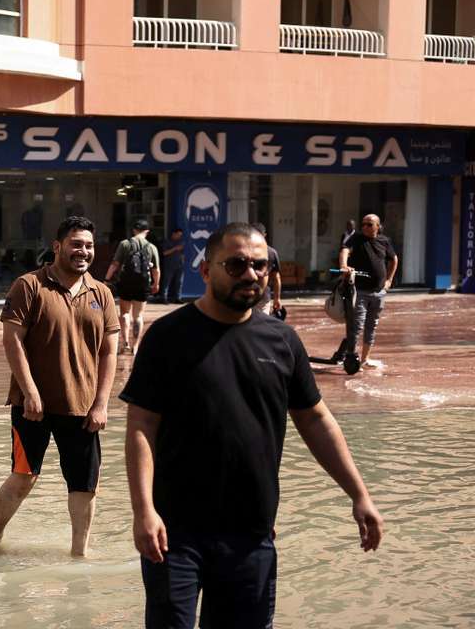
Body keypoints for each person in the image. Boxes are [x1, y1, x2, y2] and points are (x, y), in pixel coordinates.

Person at [122, 222, 384, 628]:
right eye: (237, 264)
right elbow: (141, 424)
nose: (251, 275)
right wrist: (143, 511)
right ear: (207, 271)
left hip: (251, 533)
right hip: (175, 532)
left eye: (260, 266)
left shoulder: (282, 341)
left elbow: (315, 420)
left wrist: (359, 494)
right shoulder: (168, 336)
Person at [0, 216, 120, 556]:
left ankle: (79, 554)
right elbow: (12, 340)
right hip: (33, 408)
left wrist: (102, 404)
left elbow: (109, 351)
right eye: (76, 244)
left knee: (85, 485)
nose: (83, 251)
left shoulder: (101, 293)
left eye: (88, 245)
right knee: (23, 477)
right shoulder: (29, 285)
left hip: (83, 407)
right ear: (58, 247)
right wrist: (29, 391)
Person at [337, 214, 398, 369]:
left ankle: (365, 359)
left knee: (372, 326)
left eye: (369, 225)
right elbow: (344, 250)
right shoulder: (356, 239)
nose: (364, 227)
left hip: (379, 292)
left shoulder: (384, 241)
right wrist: (344, 265)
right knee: (356, 325)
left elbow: (394, 259)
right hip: (360, 291)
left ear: (378, 226)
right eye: (363, 224)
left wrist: (389, 281)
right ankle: (351, 358)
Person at [105, 219, 160, 354]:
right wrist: (156, 283)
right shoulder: (151, 247)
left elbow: (115, 264)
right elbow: (156, 270)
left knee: (124, 313)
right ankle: (135, 346)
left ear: (134, 230)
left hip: (126, 282)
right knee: (138, 315)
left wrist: (107, 279)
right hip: (142, 283)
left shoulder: (125, 244)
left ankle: (125, 343)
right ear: (147, 231)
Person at [252, 223, 283, 316]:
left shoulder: (243, 250)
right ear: (264, 234)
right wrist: (277, 298)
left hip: (248, 295)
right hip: (262, 297)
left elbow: (276, 278)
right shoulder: (271, 252)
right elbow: (276, 278)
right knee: (261, 326)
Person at [158, 227, 185, 304]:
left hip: (180, 265)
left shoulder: (181, 242)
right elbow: (164, 253)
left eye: (180, 235)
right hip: (169, 265)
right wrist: (175, 248)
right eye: (178, 235)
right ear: (173, 234)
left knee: (179, 282)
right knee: (167, 282)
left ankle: (178, 298)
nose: (179, 237)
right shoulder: (167, 241)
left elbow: (183, 252)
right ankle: (164, 298)